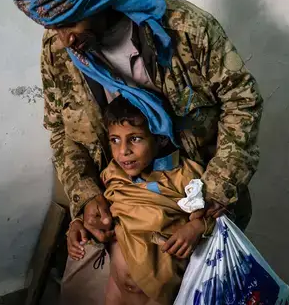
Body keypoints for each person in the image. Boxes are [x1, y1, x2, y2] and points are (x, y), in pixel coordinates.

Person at [14, 0, 262, 302]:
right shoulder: (60, 50)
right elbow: (61, 129)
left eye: (70, 23)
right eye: (54, 28)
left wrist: (207, 202)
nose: (64, 38)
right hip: (120, 200)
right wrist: (86, 197)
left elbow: (242, 103)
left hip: (194, 194)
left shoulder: (185, 29)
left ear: (97, 1)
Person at [68, 97, 213, 304]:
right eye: (115, 140)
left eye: (135, 139)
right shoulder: (112, 175)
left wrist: (197, 226)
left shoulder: (185, 177)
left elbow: (217, 217)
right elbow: (97, 212)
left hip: (158, 296)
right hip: (117, 289)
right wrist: (77, 224)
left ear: (160, 138)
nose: (123, 151)